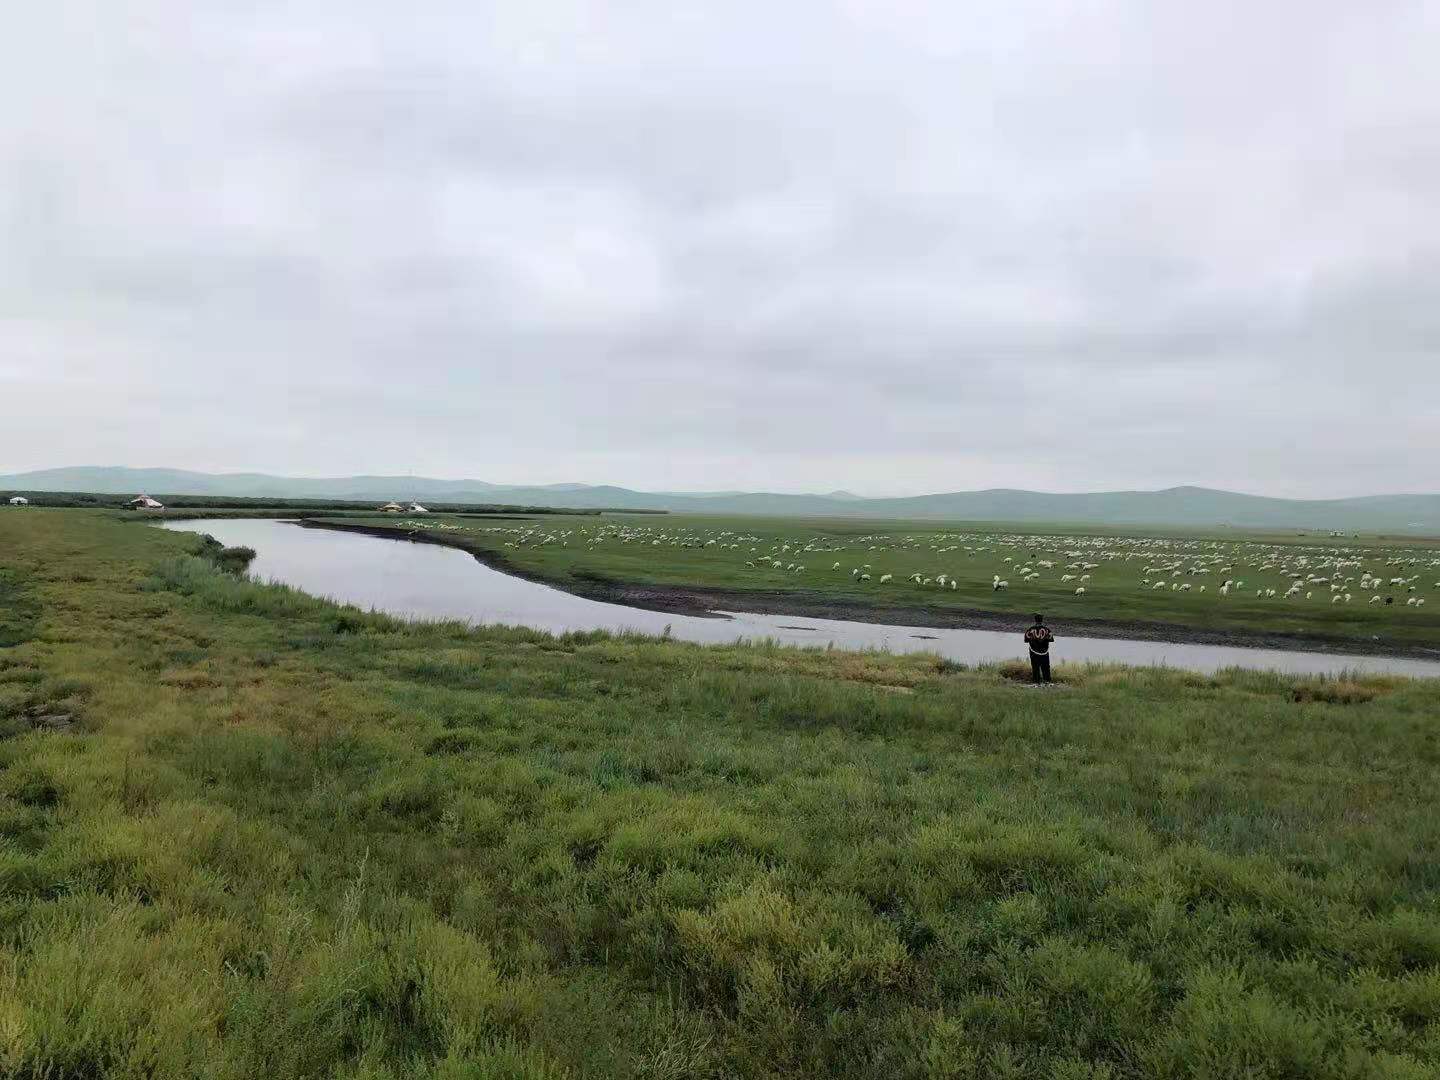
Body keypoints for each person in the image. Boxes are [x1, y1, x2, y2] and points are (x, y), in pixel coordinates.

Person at [1023, 613, 1054, 684]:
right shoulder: (1047, 630)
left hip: (1033, 652)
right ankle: (1047, 681)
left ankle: (1036, 682)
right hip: (1045, 652)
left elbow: (1026, 640)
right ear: (1042, 620)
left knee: (1035, 667)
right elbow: (1051, 639)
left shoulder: (1030, 630)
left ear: (1035, 620)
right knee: (1046, 667)